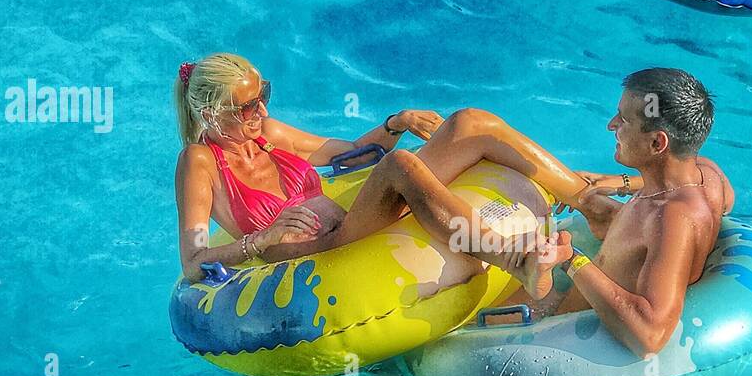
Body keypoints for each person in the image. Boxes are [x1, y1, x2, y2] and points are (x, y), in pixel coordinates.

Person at [172, 53, 580, 297]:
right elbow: (193, 262)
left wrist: (395, 124)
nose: (262, 111)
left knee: (468, 123)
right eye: (247, 107)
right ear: (211, 114)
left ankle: (586, 198)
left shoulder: (270, 134)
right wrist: (262, 239)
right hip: (306, 252)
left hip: (349, 224)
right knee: (400, 166)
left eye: (264, 96)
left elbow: (350, 156)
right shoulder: (199, 162)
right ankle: (514, 259)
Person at [503, 67, 734, 357]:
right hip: (561, 301)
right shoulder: (709, 176)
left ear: (657, 143)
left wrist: (571, 260)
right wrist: (622, 183)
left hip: (552, 329)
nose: (611, 125)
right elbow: (725, 198)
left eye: (623, 120)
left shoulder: (671, 218)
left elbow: (650, 337)